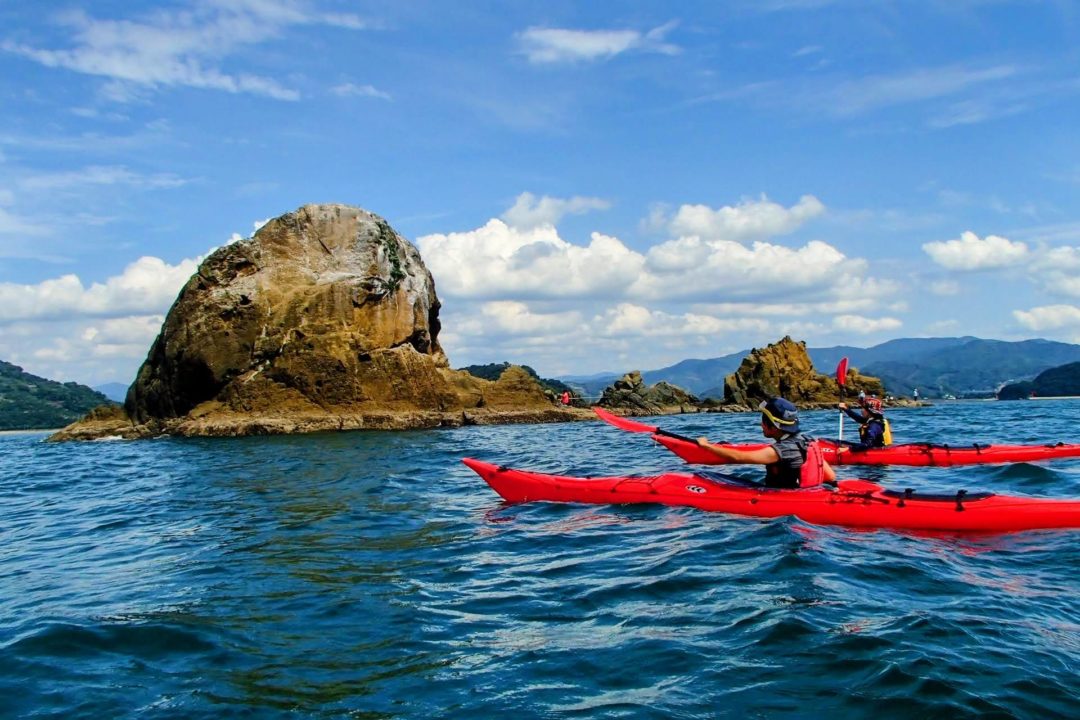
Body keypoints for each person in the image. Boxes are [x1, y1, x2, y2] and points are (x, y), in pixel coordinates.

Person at [696, 396, 835, 489]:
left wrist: (706, 446)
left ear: (774, 427)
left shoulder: (782, 450)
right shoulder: (808, 440)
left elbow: (738, 458)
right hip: (804, 493)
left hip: (783, 501)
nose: (761, 425)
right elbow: (830, 476)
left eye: (763, 421)